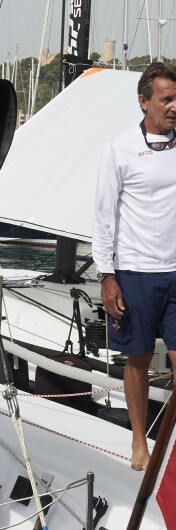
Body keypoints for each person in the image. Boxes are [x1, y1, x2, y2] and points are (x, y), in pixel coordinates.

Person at [93, 62, 176, 472]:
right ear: (144, 102)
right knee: (139, 359)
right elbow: (103, 216)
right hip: (136, 273)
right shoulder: (120, 148)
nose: (174, 106)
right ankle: (139, 440)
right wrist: (107, 276)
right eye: (167, 99)